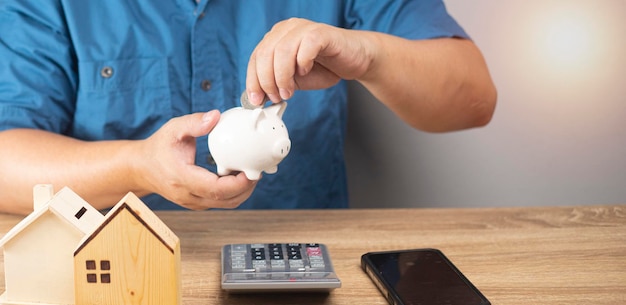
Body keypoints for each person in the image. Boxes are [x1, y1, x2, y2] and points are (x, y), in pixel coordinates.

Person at [0, 1, 496, 215]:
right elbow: (6, 162)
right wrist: (137, 167)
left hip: (301, 271)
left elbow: (473, 100)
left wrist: (368, 54)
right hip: (121, 267)